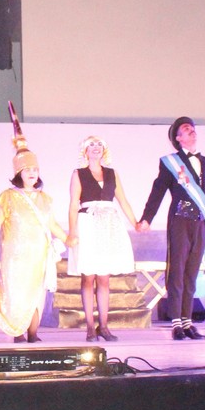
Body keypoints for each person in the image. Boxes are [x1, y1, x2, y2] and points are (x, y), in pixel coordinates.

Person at [138, 117, 205, 340]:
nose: (192, 131)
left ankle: (187, 321)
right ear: (178, 138)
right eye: (186, 129)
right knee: (177, 271)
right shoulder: (170, 162)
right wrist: (147, 218)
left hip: (200, 223)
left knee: (192, 273)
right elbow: (157, 192)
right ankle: (176, 323)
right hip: (180, 221)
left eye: (193, 128)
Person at [0, 116, 68, 343]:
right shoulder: (7, 196)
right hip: (15, 255)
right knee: (17, 292)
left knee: (36, 293)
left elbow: (52, 225)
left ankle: (33, 332)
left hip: (38, 254)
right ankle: (17, 331)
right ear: (18, 173)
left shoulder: (45, 198)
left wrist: (69, 239)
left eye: (35, 169)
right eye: (27, 170)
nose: (32, 173)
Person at [67, 136, 137, 342]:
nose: (95, 148)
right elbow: (73, 204)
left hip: (108, 226)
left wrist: (135, 223)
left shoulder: (112, 173)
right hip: (87, 225)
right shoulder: (78, 174)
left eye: (99, 145)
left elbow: (123, 201)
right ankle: (90, 327)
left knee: (104, 277)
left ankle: (104, 326)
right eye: (91, 145)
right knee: (88, 276)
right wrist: (72, 232)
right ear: (85, 151)